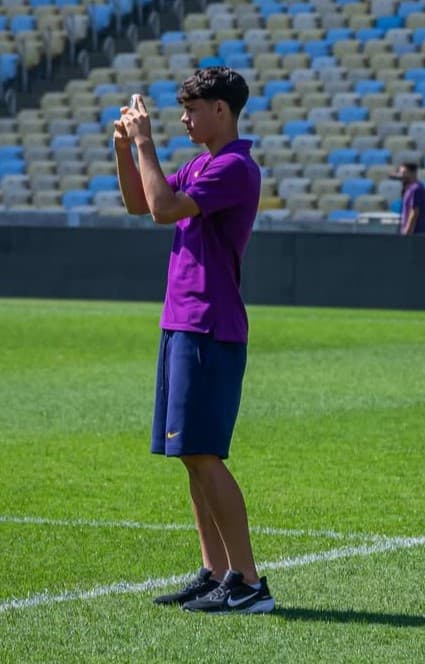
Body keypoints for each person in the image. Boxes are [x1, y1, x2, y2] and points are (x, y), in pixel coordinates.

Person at [114, 66, 274, 614]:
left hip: (209, 323)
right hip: (183, 321)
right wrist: (124, 149)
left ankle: (249, 582)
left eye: (193, 108)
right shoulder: (204, 163)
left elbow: (162, 209)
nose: (184, 117)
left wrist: (145, 141)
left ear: (221, 112)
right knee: (190, 455)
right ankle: (214, 571)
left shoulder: (233, 167)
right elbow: (141, 203)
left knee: (204, 454)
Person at [390, 162, 425, 235]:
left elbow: (414, 212)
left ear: (413, 173)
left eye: (404, 173)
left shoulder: (417, 189)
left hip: (416, 234)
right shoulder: (409, 189)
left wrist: (407, 232)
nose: (402, 176)